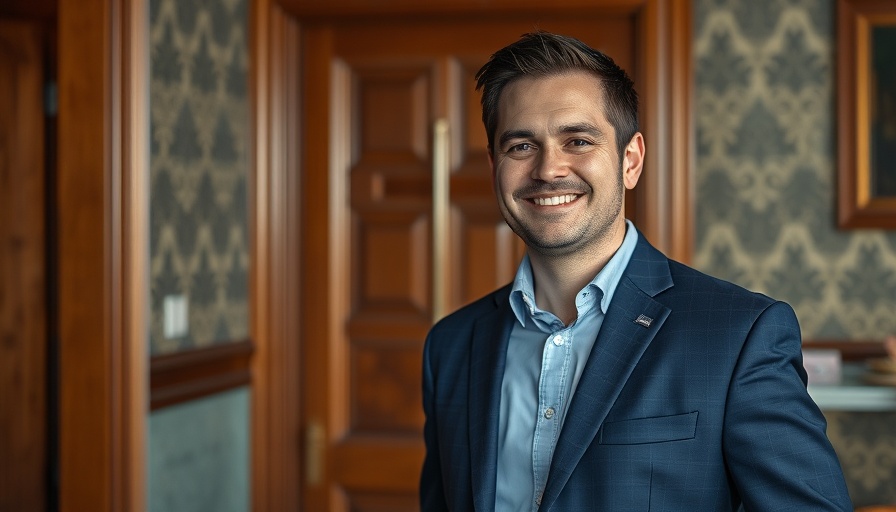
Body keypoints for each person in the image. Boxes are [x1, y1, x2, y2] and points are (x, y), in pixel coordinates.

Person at [419, 31, 852, 511]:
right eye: (521, 146)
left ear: (631, 160)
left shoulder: (738, 336)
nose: (548, 169)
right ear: (494, 165)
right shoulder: (451, 346)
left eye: (578, 140)